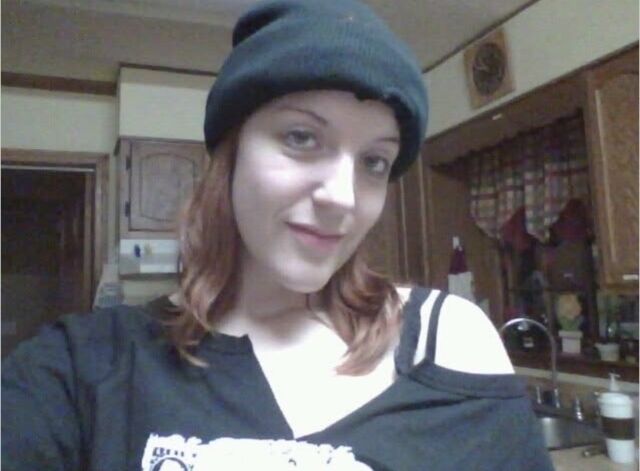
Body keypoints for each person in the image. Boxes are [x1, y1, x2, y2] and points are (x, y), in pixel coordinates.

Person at [2, 1, 554, 470]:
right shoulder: (80, 368)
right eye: (301, 137)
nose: (342, 196)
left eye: (374, 162)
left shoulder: (448, 339)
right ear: (231, 154)